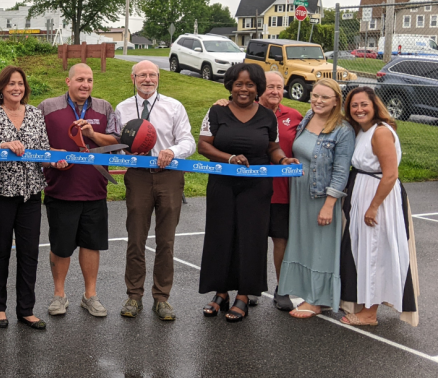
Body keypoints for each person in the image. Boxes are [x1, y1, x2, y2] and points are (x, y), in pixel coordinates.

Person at [197, 63, 298, 322]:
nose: (244, 89)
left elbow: (273, 148)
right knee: (220, 236)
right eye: (239, 83)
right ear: (230, 85)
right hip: (222, 182)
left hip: (256, 186)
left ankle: (243, 294)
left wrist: (283, 160)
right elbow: (204, 146)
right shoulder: (216, 111)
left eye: (250, 84)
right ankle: (221, 292)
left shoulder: (267, 116)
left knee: (250, 239)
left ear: (258, 88)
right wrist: (229, 158)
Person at [0, 66, 59, 330]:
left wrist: (56, 160)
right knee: (0, 252)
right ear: (1, 87)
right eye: (11, 83)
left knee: (29, 253)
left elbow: (43, 150)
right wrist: (3, 145)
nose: (16, 88)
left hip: (31, 193)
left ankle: (26, 309)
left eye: (21, 84)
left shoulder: (35, 114)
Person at [37, 63, 121, 318]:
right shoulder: (47, 107)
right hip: (60, 189)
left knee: (91, 244)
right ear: (68, 81)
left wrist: (92, 133)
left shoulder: (105, 107)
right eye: (80, 79)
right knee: (61, 246)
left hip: (95, 189)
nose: (85, 84)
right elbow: (38, 145)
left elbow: (116, 142)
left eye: (90, 80)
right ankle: (59, 295)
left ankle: (90, 296)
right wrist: (53, 159)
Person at [114, 60, 195, 321]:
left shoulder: (174, 106)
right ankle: (134, 296)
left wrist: (173, 151)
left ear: (159, 77)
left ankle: (162, 298)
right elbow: (116, 142)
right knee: (136, 238)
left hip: (169, 176)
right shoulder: (122, 108)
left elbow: (188, 140)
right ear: (133, 78)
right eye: (142, 75)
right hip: (138, 177)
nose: (147, 79)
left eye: (152, 75)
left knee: (166, 240)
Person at [339, 87, 419, 326]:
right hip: (364, 192)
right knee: (365, 250)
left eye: (364, 104)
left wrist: (373, 206)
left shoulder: (381, 133)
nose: (359, 109)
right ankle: (368, 304)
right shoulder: (362, 130)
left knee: (374, 252)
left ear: (375, 106)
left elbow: (390, 174)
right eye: (354, 105)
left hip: (379, 198)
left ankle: (369, 313)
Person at [277, 79, 354, 318]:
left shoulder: (343, 129)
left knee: (321, 249)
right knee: (302, 244)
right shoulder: (308, 116)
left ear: (336, 102)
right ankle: (305, 293)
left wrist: (329, 205)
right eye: (315, 96)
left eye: (325, 98)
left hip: (321, 197)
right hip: (298, 194)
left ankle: (318, 300)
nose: (318, 101)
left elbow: (341, 171)